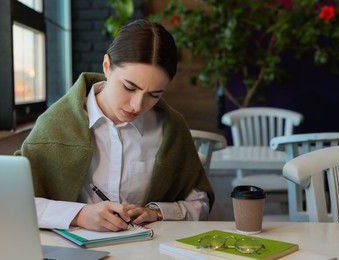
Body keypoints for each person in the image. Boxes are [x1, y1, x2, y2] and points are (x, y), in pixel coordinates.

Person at [15, 19, 214, 232]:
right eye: (129, 87)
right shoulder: (56, 123)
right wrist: (79, 215)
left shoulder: (171, 129)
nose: (137, 105)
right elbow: (14, 203)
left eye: (154, 95)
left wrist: (157, 212)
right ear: (107, 66)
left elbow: (200, 204)